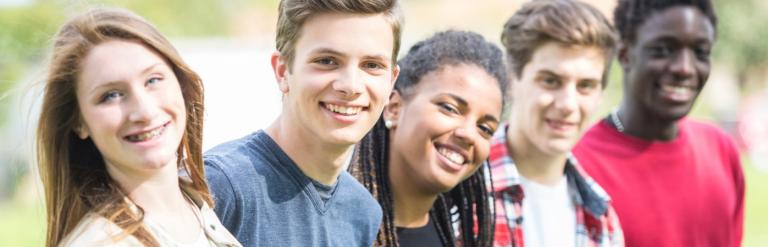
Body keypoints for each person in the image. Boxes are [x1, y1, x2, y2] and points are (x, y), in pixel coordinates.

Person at [203, 0, 402, 246]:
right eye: (327, 61)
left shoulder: (363, 212)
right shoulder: (221, 185)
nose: (351, 86)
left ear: (391, 81)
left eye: (372, 65)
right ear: (282, 71)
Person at [36, 7, 241, 247]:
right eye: (111, 95)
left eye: (153, 80)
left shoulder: (200, 212)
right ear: (78, 122)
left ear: (181, 84)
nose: (145, 111)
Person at [572, 0, 745, 246]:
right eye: (663, 50)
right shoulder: (581, 166)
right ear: (625, 54)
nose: (685, 68)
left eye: (700, 52)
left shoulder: (721, 150)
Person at [350, 30, 506, 247]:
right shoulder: (330, 226)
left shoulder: (453, 237)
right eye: (450, 108)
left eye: (485, 128)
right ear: (394, 108)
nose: (469, 134)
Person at [489, 1, 622, 246]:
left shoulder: (602, 219)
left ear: (600, 95)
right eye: (550, 81)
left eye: (585, 86)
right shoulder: (459, 191)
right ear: (511, 79)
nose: (568, 104)